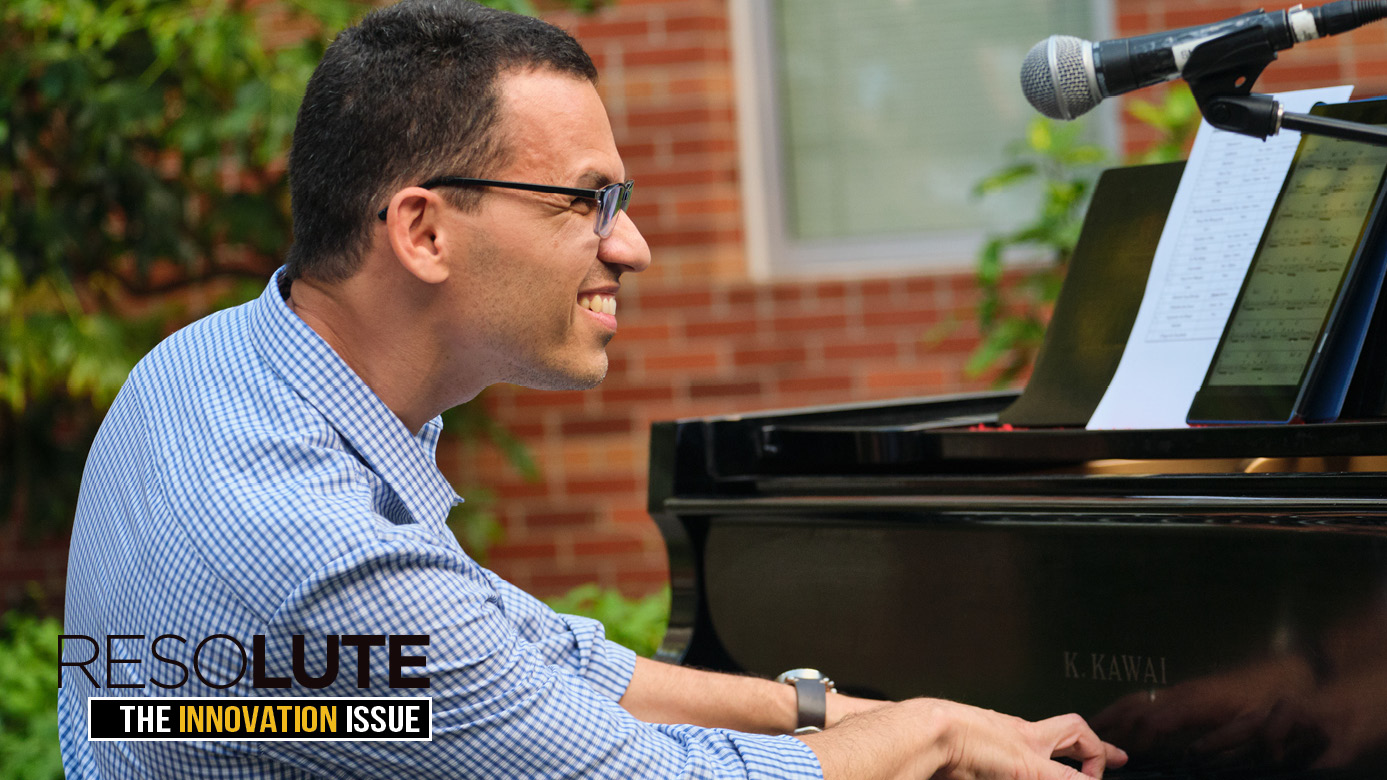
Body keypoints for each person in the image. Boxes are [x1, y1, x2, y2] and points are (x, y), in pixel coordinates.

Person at [57, 1, 1127, 778]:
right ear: (422, 230)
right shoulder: (321, 559)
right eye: (586, 201)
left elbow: (533, 651)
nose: (636, 247)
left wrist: (825, 706)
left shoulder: (209, 366)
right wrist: (935, 730)